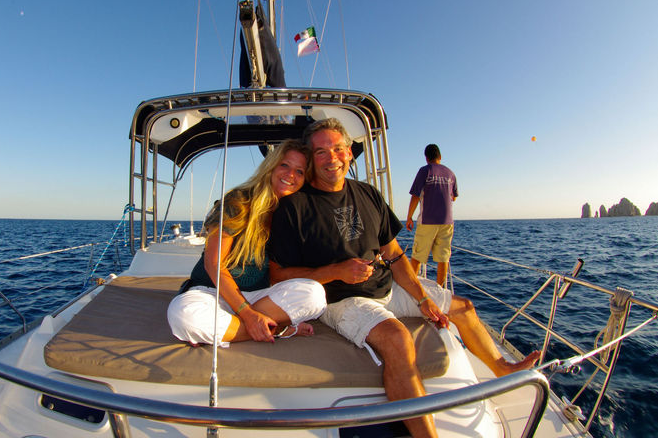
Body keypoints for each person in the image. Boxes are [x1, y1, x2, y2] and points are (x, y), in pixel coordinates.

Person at [268, 118, 539, 438]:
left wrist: (422, 297)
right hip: (341, 299)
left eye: (338, 149)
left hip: (386, 285)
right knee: (398, 340)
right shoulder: (294, 207)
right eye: (321, 152)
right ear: (311, 160)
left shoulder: (368, 194)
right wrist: (335, 272)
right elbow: (277, 276)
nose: (332, 158)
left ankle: (500, 367)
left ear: (349, 154)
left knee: (463, 308)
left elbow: (394, 255)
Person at [168, 140, 327, 346]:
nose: (290, 175)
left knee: (314, 295)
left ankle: (229, 329)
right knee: (184, 315)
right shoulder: (238, 202)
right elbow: (214, 265)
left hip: (258, 297)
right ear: (271, 166)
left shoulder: (292, 215)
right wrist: (248, 315)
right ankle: (276, 329)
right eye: (284, 165)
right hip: (212, 292)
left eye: (300, 171)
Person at [406, 144, 458, 287]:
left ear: (426, 158)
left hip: (427, 221)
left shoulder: (424, 171)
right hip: (447, 221)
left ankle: (411, 288)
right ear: (440, 157)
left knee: (417, 256)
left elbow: (415, 195)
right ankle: (441, 289)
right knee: (443, 258)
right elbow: (454, 197)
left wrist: (409, 217)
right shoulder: (450, 173)